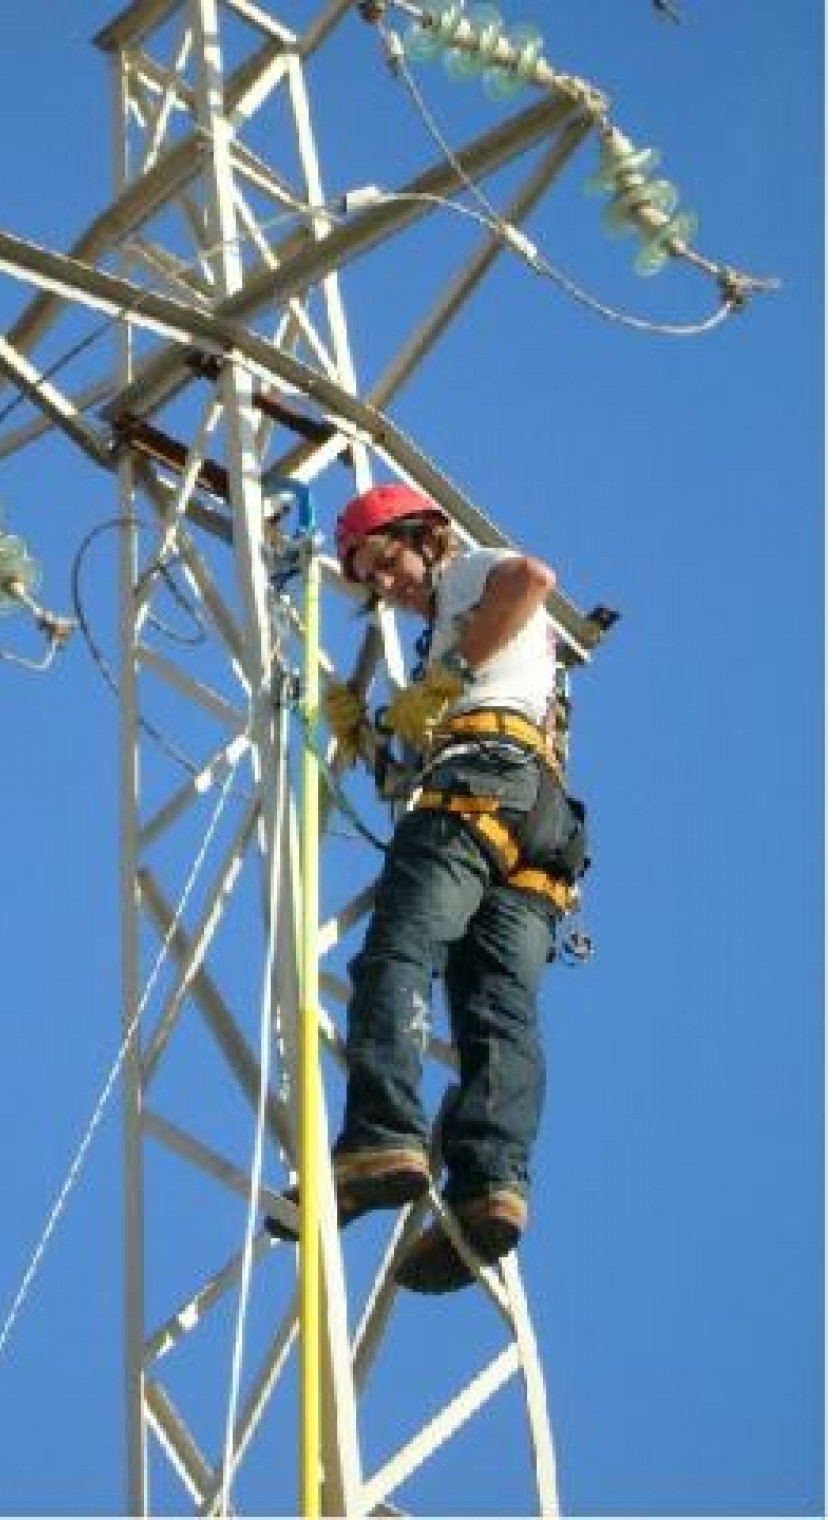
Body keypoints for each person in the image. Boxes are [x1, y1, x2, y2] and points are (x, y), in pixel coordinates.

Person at [283, 481, 588, 1293]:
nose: (386, 584)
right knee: (497, 1011)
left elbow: (533, 578)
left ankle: (383, 1132)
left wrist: (447, 675)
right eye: (370, 579)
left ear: (425, 534)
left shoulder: (467, 576)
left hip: (483, 785)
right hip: (536, 824)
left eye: (386, 560)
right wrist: (366, 727)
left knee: (397, 954)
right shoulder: (454, 638)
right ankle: (491, 1187)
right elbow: (420, 738)